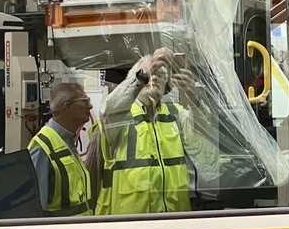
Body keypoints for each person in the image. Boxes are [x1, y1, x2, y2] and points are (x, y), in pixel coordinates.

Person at [90, 47, 214, 215]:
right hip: (131, 221)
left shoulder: (174, 114)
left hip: (174, 218)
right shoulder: (120, 117)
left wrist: (192, 93)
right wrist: (141, 76)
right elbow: (108, 110)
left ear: (166, 83)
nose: (153, 78)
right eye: (149, 75)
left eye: (160, 75)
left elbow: (202, 126)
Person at [28, 82, 93, 216]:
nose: (90, 106)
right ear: (67, 106)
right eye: (84, 101)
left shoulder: (67, 141)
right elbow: (36, 208)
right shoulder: (42, 147)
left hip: (79, 228)